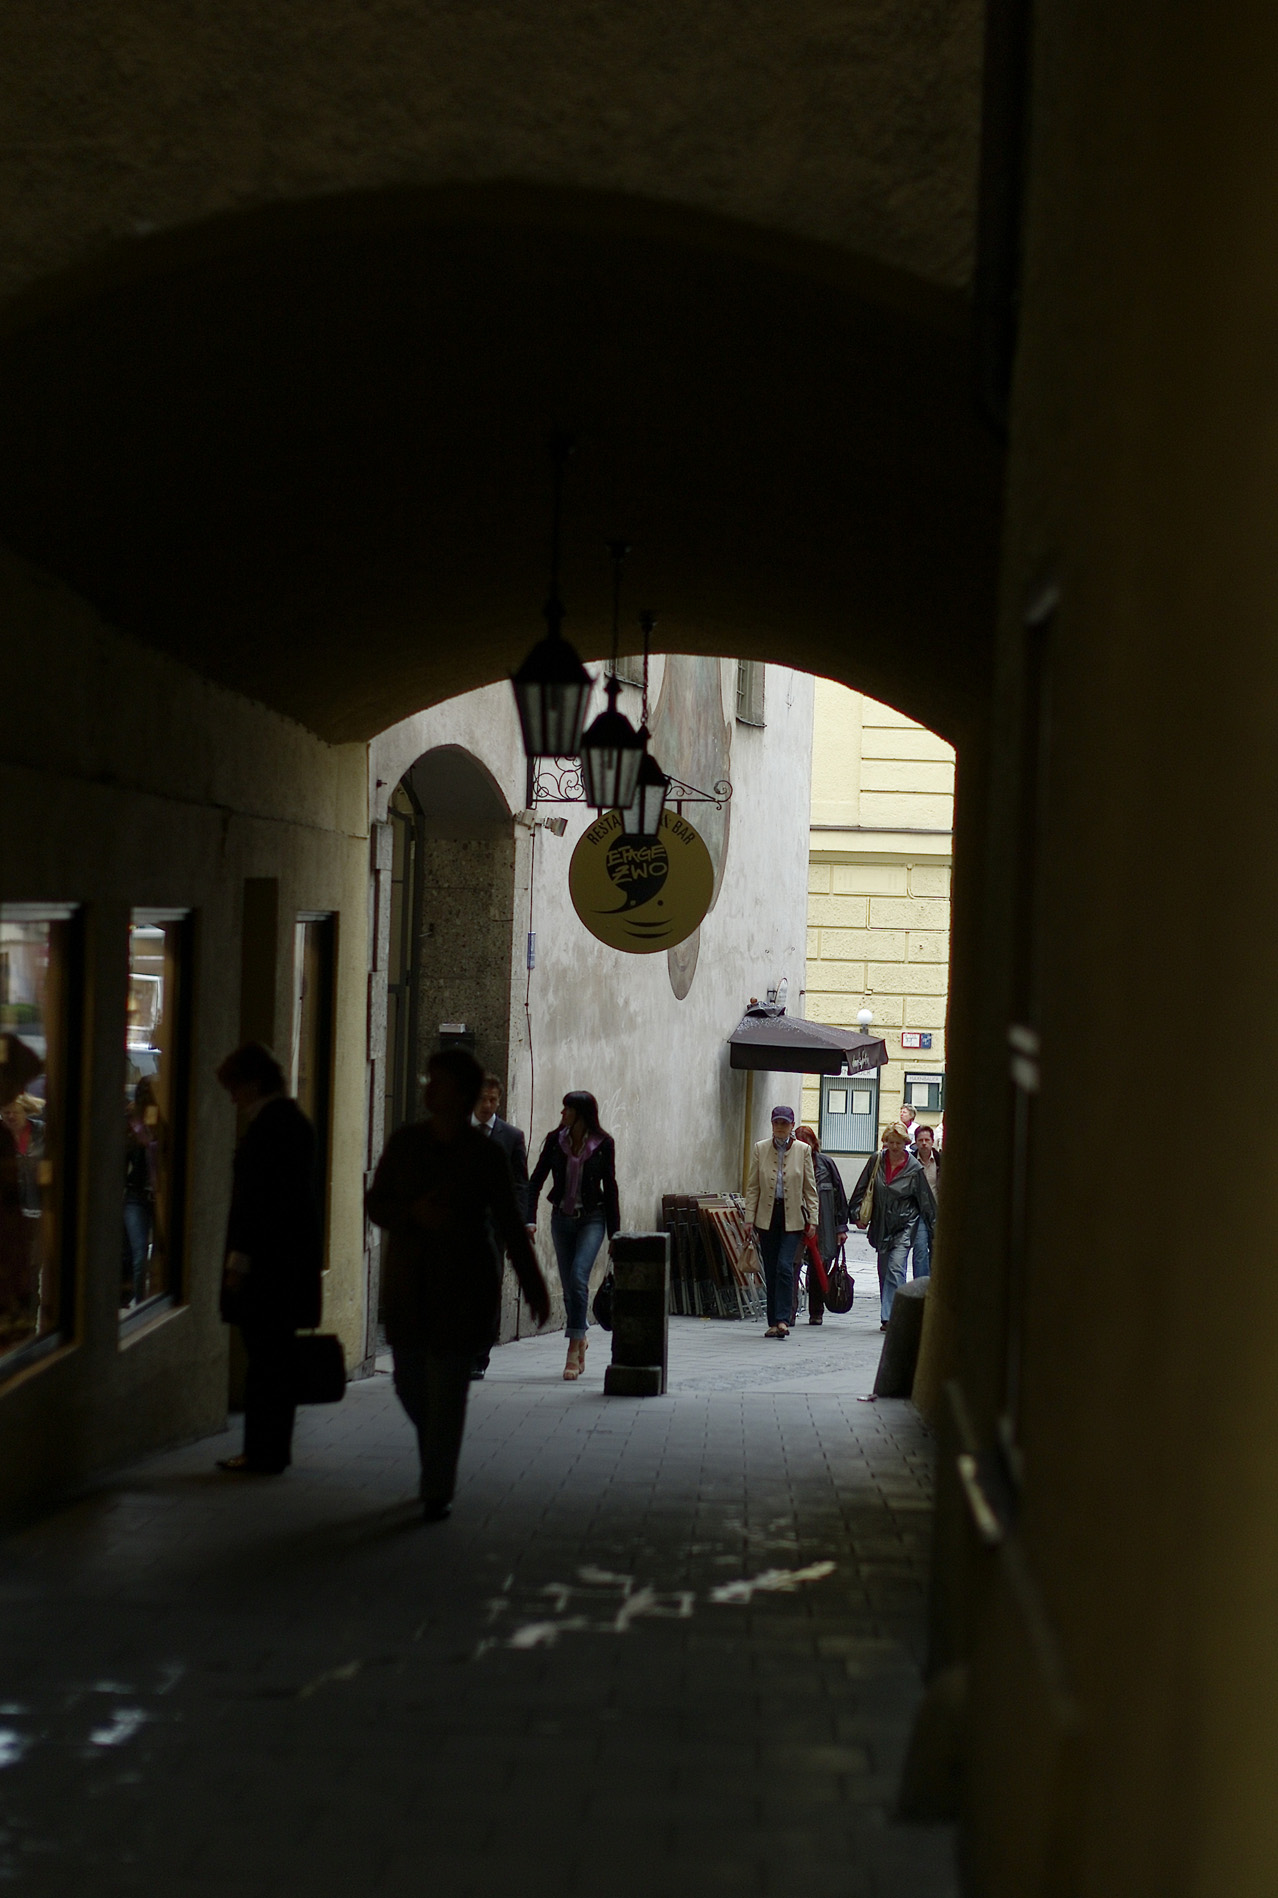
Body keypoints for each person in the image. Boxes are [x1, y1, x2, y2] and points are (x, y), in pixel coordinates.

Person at [368, 1048, 550, 1519]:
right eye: (429, 1079)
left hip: (464, 1287)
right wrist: (412, 1213)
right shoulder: (406, 1143)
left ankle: (437, 1488)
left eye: (439, 1081)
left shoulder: (485, 1154)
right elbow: (376, 1203)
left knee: (448, 1390)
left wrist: (533, 1285)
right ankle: (437, 1449)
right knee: (409, 1384)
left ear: (462, 1094)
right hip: (410, 1286)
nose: (429, 1088)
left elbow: (509, 1221)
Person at [216, 1042, 323, 1475]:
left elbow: (258, 1205)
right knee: (273, 1361)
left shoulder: (270, 1127)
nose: (232, 1099)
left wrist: (238, 1265)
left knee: (265, 1363)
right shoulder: (293, 1123)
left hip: (268, 1270)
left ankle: (262, 1451)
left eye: (234, 1088)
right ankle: (270, 1450)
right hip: (287, 1267)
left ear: (253, 1083)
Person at [527, 1091, 620, 1381]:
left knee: (579, 1277)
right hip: (561, 1220)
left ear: (581, 1114)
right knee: (569, 1287)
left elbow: (610, 1187)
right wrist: (529, 1220)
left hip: (592, 1219)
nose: (562, 1114)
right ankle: (581, 1337)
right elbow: (536, 1181)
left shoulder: (603, 1144)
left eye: (567, 1109)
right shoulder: (555, 1141)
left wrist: (615, 1235)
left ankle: (572, 1349)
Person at [469, 1072, 530, 1381]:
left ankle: (479, 1357)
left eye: (493, 1100)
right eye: (483, 1099)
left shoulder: (512, 1137)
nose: (488, 1105)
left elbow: (520, 1185)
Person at [852, 1121, 936, 1331]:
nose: (895, 1147)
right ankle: (888, 1312)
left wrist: (934, 1228)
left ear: (905, 1143)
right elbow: (862, 1186)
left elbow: (925, 1200)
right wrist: (855, 1214)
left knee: (896, 1267)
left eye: (898, 1143)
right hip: (882, 1223)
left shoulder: (914, 1168)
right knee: (884, 1270)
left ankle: (894, 1316)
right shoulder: (877, 1160)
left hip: (905, 1223)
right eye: (891, 1142)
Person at [743, 1105, 818, 1340]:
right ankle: (773, 1322)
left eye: (785, 1123)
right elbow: (753, 1187)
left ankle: (784, 1319)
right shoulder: (760, 1148)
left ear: (792, 1126)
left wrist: (813, 1218)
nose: (780, 1127)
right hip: (767, 1216)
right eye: (777, 1123)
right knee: (771, 1267)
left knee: (785, 1266)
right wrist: (749, 1218)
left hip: (792, 1216)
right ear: (772, 1124)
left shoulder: (803, 1150)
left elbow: (810, 1188)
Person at [792, 1125, 848, 1325]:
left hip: (823, 1224)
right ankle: (788, 1312)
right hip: (796, 1222)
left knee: (819, 1266)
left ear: (813, 1144)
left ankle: (816, 1312)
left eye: (806, 1142)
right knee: (793, 1265)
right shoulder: (790, 1162)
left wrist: (841, 1228)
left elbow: (839, 1195)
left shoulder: (826, 1164)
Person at [910, 1124, 941, 1280]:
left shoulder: (941, 1161)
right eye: (920, 1140)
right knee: (920, 1250)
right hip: (919, 1213)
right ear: (915, 1142)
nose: (923, 1143)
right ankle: (921, 1286)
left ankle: (934, 1284)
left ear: (932, 1141)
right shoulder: (910, 1162)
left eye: (927, 1140)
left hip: (938, 1212)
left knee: (937, 1251)